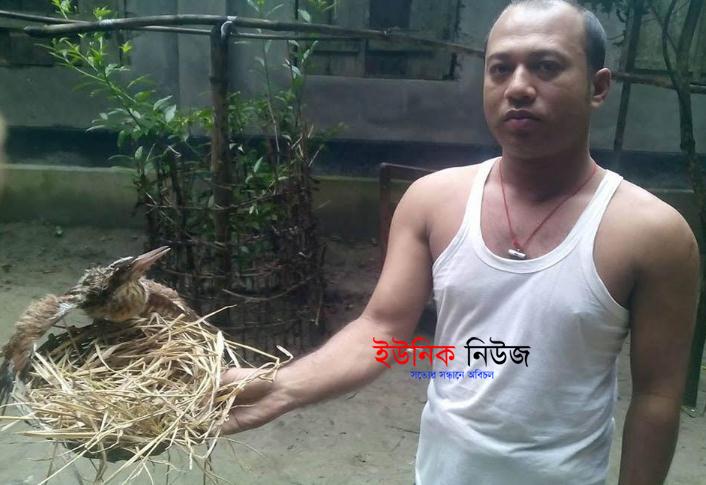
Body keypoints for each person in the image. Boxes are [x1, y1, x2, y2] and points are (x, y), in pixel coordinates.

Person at [221, 1, 699, 483]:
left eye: (546, 66)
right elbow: (381, 330)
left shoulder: (653, 234)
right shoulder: (432, 201)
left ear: (597, 87)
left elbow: (657, 396)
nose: (518, 87)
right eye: (500, 69)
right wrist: (280, 388)